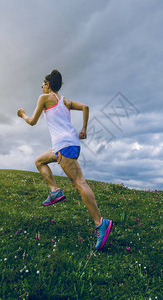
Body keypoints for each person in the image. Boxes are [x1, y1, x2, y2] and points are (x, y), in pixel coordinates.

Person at [17, 69, 112, 250]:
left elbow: (32, 121)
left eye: (43, 83)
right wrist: (83, 130)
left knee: (79, 183)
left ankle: (100, 223)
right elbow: (85, 107)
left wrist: (22, 114)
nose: (41, 86)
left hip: (63, 145)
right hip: (70, 144)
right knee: (39, 161)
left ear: (49, 84)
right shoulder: (65, 101)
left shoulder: (44, 98)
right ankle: (55, 190)